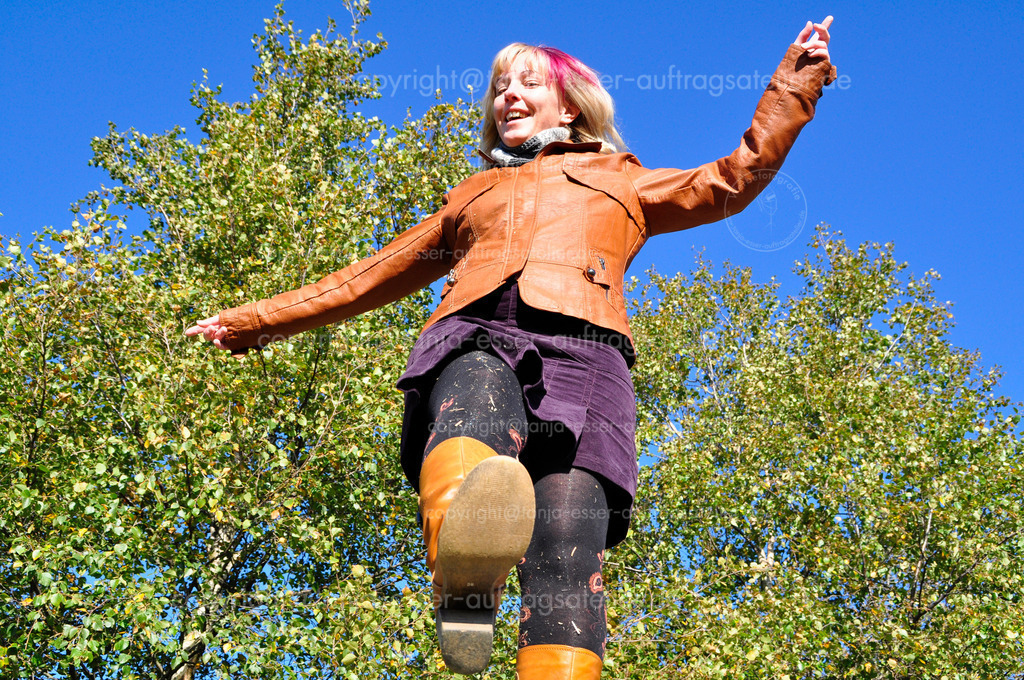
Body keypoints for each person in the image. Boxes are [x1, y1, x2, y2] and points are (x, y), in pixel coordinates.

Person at [187, 17, 835, 679]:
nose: (509, 97)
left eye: (528, 83)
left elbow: (738, 174)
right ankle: (465, 577)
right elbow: (369, 276)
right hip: (480, 331)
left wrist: (797, 78)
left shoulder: (626, 180)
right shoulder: (472, 195)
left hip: (591, 362)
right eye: (499, 88)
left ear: (571, 104)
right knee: (475, 402)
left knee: (567, 552)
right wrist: (252, 322)